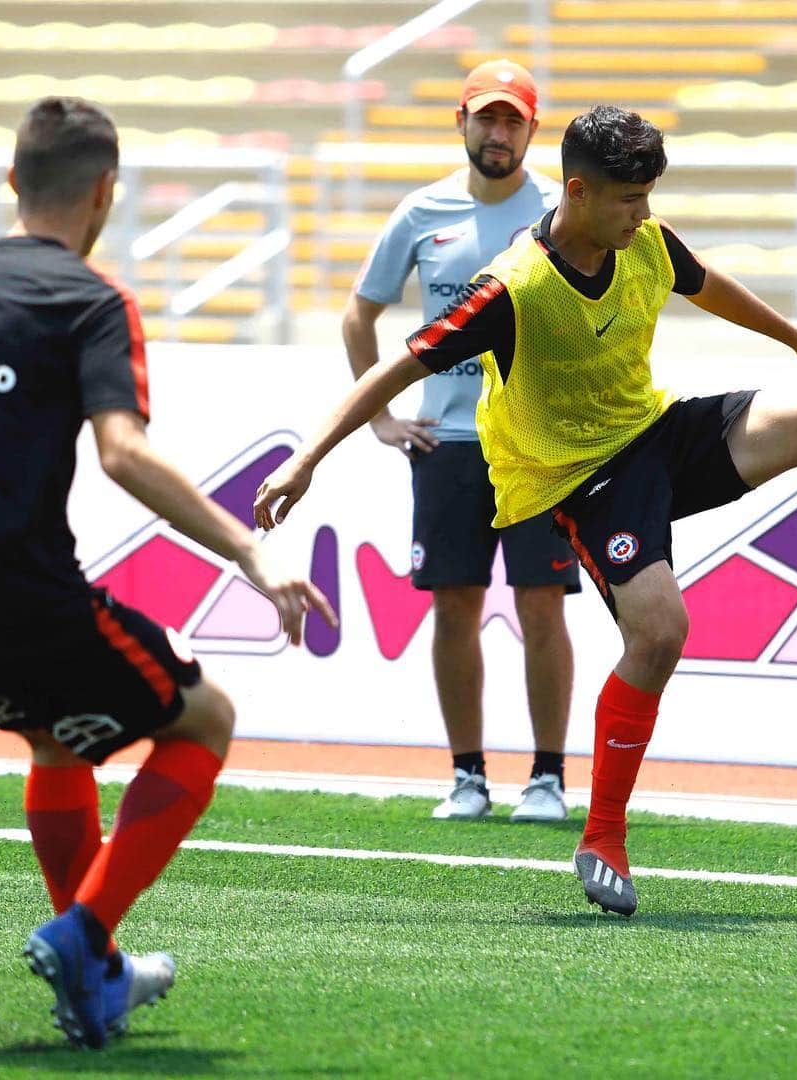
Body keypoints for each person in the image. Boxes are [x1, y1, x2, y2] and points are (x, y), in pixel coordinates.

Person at [254, 105, 797, 918]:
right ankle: (603, 834)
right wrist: (308, 456)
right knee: (660, 633)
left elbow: (704, 281)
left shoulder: (642, 238)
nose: (645, 215)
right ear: (578, 192)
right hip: (578, 476)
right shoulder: (512, 288)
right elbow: (400, 367)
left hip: (655, 431)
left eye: (650, 197)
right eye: (630, 199)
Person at [0, 96, 336, 1048]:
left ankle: (96, 977)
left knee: (58, 742)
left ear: (12, 183)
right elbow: (122, 453)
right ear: (105, 192)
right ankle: (86, 935)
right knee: (206, 718)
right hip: (28, 600)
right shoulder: (87, 300)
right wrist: (249, 548)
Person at [343, 59, 579, 824]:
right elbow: (359, 313)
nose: (499, 132)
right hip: (446, 441)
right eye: (488, 117)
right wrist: (378, 416)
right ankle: (468, 776)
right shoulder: (421, 212)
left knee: (542, 605)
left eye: (513, 120)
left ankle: (546, 777)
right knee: (454, 606)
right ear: (463, 123)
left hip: (537, 443)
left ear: (532, 130)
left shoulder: (562, 209)